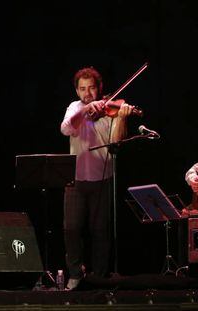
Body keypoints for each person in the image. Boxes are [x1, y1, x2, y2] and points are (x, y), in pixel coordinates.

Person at [60, 67, 133, 290]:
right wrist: (85, 111)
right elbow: (65, 128)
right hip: (75, 180)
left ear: (99, 88)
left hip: (103, 178)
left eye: (91, 88)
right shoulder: (75, 107)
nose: (87, 93)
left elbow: (116, 144)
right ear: (77, 90)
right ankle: (75, 273)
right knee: (71, 228)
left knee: (101, 230)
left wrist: (120, 118)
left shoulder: (110, 109)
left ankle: (99, 277)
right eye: (82, 89)